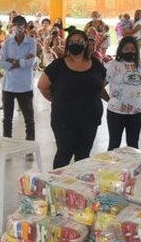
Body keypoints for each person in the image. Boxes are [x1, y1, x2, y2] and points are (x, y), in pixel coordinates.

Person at [38, 28, 107, 169]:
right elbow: (43, 87)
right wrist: (57, 100)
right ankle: (57, 182)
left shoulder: (96, 64)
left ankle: (80, 182)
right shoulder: (58, 65)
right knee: (64, 153)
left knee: (83, 156)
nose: (76, 44)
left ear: (86, 44)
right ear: (67, 44)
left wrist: (111, 101)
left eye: (80, 41)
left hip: (90, 118)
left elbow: (100, 86)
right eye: (72, 41)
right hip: (64, 119)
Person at [103, 36, 141, 150]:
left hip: (136, 111)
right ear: (121, 50)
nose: (130, 51)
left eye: (132, 49)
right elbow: (100, 86)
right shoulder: (112, 65)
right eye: (126, 49)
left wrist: (134, 94)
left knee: (133, 145)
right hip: (115, 111)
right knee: (114, 144)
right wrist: (110, 100)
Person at [0, 16, 36, 142]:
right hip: (8, 86)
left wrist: (12, 61)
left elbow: (31, 62)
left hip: (25, 86)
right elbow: (1, 63)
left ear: (25, 27)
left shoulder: (31, 42)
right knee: (7, 119)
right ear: (12, 27)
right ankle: (7, 142)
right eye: (15, 24)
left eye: (21, 24)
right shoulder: (7, 43)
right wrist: (22, 61)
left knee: (29, 119)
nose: (18, 27)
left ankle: (30, 144)